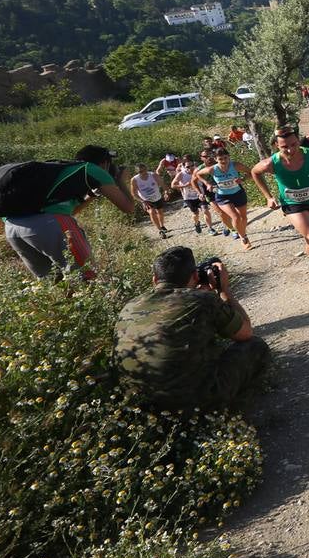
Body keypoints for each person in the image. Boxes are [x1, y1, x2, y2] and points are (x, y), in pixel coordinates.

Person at [115, 247, 270, 410]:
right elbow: (245, 333)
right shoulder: (203, 300)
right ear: (196, 276)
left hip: (138, 403)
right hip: (195, 401)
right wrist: (223, 290)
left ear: (154, 280)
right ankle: (235, 408)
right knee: (256, 346)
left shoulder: (130, 306)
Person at [0, 145, 134, 281]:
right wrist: (120, 181)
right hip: (47, 224)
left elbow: (69, 211)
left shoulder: (63, 171)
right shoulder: (92, 169)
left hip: (12, 228)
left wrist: (90, 196)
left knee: (52, 282)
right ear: (105, 163)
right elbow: (128, 208)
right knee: (86, 276)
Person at [251, 125, 309, 291]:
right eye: (284, 146)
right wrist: (268, 197)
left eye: (294, 144)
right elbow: (255, 172)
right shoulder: (271, 163)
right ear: (276, 146)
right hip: (292, 204)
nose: (290, 149)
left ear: (298, 141)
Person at [197, 149, 255, 250]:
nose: (224, 161)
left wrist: (242, 179)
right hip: (222, 196)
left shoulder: (235, 165)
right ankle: (243, 237)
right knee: (235, 217)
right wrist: (207, 183)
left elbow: (251, 172)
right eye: (220, 159)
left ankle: (241, 232)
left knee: (244, 218)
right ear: (215, 159)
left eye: (226, 158)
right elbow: (198, 174)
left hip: (238, 193)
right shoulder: (212, 169)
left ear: (229, 157)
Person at [193, 149, 235, 237]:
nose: (208, 158)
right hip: (209, 192)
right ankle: (231, 228)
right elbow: (193, 182)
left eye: (210, 155)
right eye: (205, 156)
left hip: (224, 189)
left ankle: (227, 225)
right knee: (220, 212)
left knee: (230, 210)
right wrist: (199, 192)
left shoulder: (219, 164)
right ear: (201, 158)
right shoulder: (199, 169)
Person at [174, 156, 218, 235]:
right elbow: (173, 185)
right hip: (189, 197)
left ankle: (210, 228)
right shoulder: (181, 174)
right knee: (195, 214)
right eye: (188, 166)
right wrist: (184, 186)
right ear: (184, 167)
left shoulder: (199, 172)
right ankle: (197, 223)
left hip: (200, 195)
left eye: (192, 166)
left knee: (205, 210)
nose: (190, 168)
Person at [130, 161, 170, 239]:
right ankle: (160, 231)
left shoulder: (153, 175)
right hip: (146, 200)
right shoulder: (135, 180)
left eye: (144, 170)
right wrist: (143, 201)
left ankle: (162, 226)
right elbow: (134, 194)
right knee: (152, 212)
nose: (144, 172)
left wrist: (166, 192)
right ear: (137, 172)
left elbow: (162, 184)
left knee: (160, 212)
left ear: (146, 169)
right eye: (141, 171)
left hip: (157, 197)